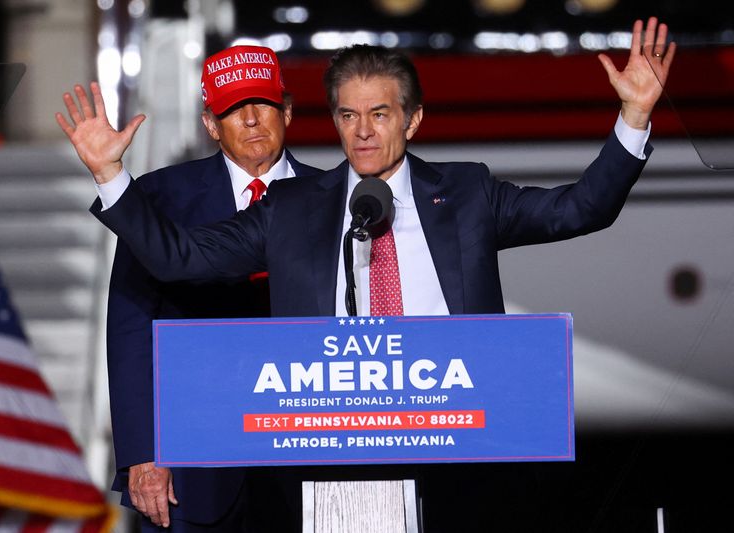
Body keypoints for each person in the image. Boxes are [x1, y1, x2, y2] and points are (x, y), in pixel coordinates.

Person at [62, 17, 674, 530]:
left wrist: (633, 120)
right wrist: (112, 178)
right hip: (337, 466)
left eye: (380, 114)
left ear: (412, 120)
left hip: (457, 453)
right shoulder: (296, 209)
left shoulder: (464, 194)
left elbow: (580, 208)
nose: (362, 131)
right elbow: (178, 258)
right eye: (349, 115)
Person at [56, 45, 318, 533]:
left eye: (262, 104)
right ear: (211, 125)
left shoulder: (338, 197)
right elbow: (131, 326)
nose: (253, 119)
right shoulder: (158, 198)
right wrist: (142, 454)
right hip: (195, 466)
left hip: (307, 455)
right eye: (234, 109)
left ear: (286, 111)